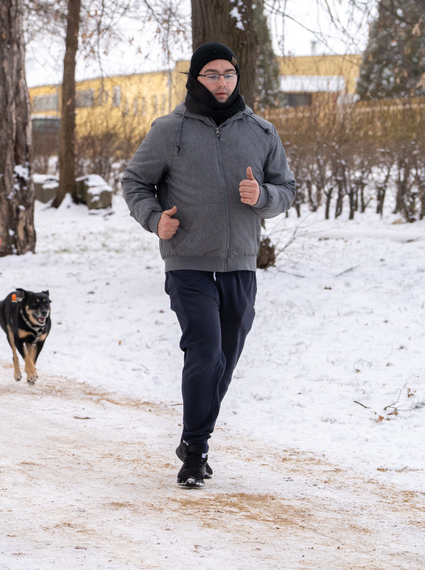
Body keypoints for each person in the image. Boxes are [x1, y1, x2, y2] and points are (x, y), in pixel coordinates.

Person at [122, 42, 296, 488]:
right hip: (187, 264)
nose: (221, 82)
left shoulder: (261, 131)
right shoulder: (169, 130)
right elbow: (135, 182)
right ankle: (196, 452)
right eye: (211, 74)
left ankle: (192, 436)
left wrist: (265, 198)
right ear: (195, 79)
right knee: (205, 351)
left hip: (240, 264)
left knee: (225, 359)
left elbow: (286, 189)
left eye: (228, 74)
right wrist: (154, 218)